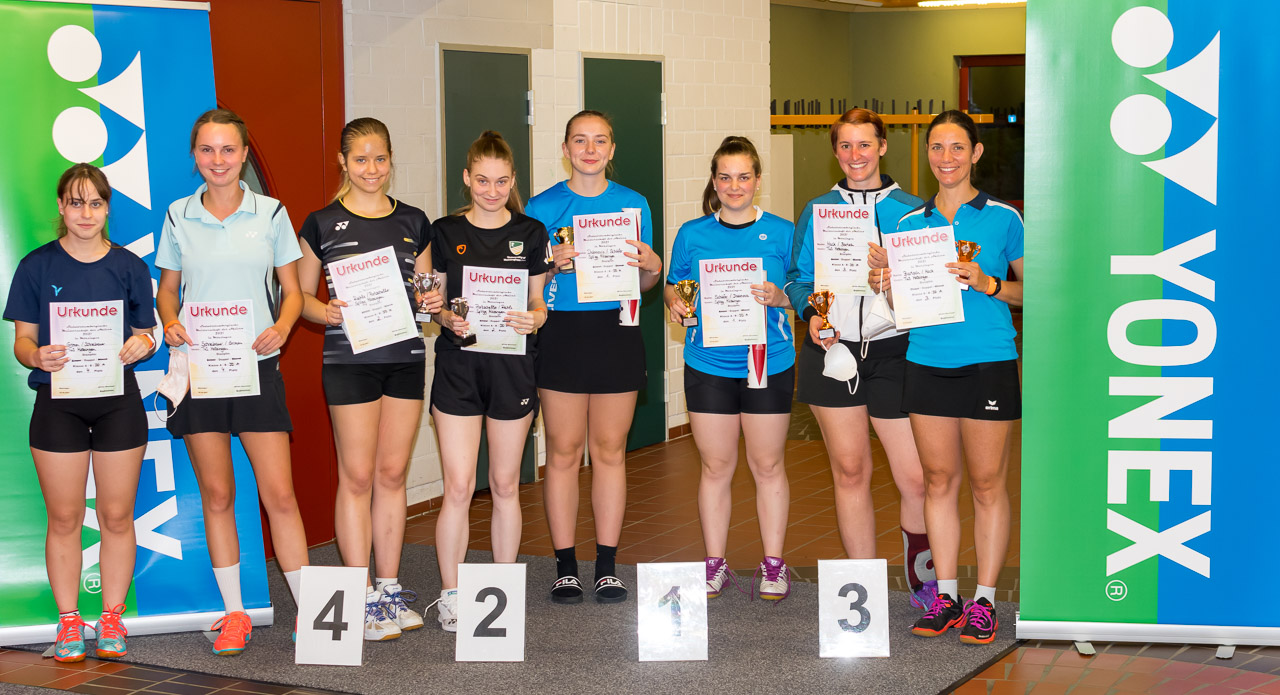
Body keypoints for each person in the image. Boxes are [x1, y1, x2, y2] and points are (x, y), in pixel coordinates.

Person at [156, 108, 310, 655]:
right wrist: (169, 322)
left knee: (280, 496)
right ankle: (234, 614)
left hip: (256, 368)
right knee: (218, 494)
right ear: (194, 155)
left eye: (228, 149)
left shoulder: (272, 214)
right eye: (207, 149)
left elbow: (293, 291)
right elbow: (168, 290)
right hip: (200, 371)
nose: (217, 160)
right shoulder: (177, 216)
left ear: (244, 155)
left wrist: (283, 327)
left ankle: (312, 615)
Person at [868, 110, 1023, 644]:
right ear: (927, 154)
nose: (946, 158)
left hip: (987, 361)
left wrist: (988, 282)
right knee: (937, 481)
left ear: (975, 153)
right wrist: (885, 282)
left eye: (958, 147)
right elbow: (901, 306)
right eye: (937, 147)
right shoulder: (908, 224)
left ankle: (986, 601)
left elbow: (1034, 290)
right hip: (927, 360)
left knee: (987, 483)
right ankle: (948, 596)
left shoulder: (1003, 218)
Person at [783, 108, 936, 609]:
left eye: (864, 144)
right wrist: (812, 312)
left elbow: (931, 282)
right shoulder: (818, 210)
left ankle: (923, 579)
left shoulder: (914, 211)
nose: (855, 155)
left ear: (883, 147)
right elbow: (798, 277)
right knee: (850, 471)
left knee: (914, 477)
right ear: (835, 152)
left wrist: (895, 277)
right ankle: (863, 590)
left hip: (896, 352)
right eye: (845, 146)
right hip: (833, 350)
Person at [297, 117, 442, 642]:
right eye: (360, 159)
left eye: (380, 158)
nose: (371, 169)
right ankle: (358, 596)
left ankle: (388, 588)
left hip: (404, 356)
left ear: (390, 159)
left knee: (392, 474)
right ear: (343, 162)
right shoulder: (320, 223)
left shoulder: (414, 221)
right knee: (357, 477)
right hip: (349, 361)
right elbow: (300, 298)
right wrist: (326, 311)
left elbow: (426, 292)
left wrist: (432, 302)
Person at [4, 164, 157, 662]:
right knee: (65, 517)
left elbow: (147, 333)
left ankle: (111, 618)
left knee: (116, 515)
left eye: (95, 203)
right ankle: (69, 622)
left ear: (107, 208)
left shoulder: (130, 266)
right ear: (61, 207)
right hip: (58, 405)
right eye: (75, 202)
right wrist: (36, 356)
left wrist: (144, 343)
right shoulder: (36, 267)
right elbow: (22, 342)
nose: (86, 213)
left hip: (119, 404)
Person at [525, 110, 662, 604]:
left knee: (609, 451)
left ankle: (606, 565)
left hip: (616, 331)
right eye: (580, 141)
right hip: (561, 332)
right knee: (562, 452)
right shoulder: (541, 207)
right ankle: (565, 566)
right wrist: (549, 265)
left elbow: (643, 283)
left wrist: (654, 266)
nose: (590, 150)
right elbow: (528, 285)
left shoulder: (633, 204)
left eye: (600, 140)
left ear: (611, 149)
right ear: (565, 149)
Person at [427, 131, 550, 631]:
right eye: (482, 181)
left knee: (503, 484)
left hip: (512, 368)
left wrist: (535, 318)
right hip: (458, 368)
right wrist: (444, 318)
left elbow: (539, 303)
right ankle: (452, 595)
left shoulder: (532, 232)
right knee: (458, 487)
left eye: (501, 182)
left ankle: (501, 593)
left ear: (513, 180)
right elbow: (433, 303)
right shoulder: (443, 231)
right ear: (467, 178)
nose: (492, 191)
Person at [664, 136, 796, 600]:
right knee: (716, 466)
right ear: (714, 181)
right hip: (708, 363)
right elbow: (673, 286)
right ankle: (714, 563)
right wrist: (676, 304)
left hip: (768, 362)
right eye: (725, 177)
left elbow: (803, 289)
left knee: (767, 464)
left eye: (743, 177)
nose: (734, 186)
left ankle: (774, 564)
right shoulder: (692, 233)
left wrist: (781, 296)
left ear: (758, 180)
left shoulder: (783, 232)